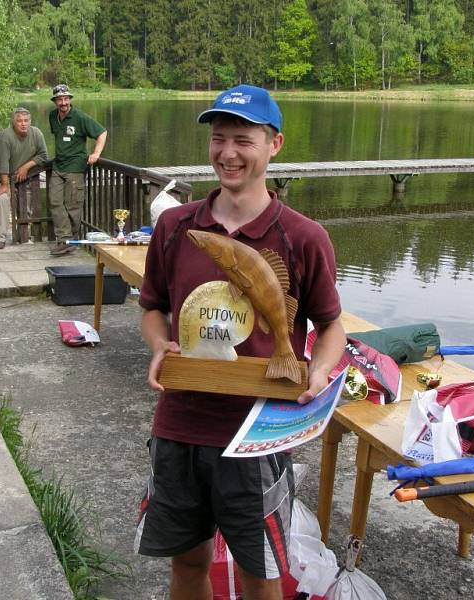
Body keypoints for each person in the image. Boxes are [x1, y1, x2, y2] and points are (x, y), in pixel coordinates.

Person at [135, 84, 346, 600]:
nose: (228, 153)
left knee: (261, 568)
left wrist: (317, 371)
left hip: (259, 433)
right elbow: (151, 309)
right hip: (180, 424)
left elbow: (331, 326)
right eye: (219, 139)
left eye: (243, 140)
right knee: (187, 561)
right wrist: (160, 346)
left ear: (274, 144)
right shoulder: (174, 226)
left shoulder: (304, 236)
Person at [47, 84, 107, 256]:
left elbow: (102, 132)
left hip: (76, 168)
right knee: (55, 202)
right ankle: (65, 239)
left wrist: (96, 153)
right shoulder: (53, 117)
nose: (63, 102)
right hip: (58, 167)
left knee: (72, 205)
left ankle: (68, 240)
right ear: (55, 101)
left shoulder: (79, 117)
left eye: (66, 99)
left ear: (70, 100)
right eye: (60, 99)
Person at [0, 108, 48, 249]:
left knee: (26, 209)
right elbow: (3, 164)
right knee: (2, 199)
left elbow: (43, 155)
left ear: (30, 121)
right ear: (13, 122)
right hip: (8, 178)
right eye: (19, 121)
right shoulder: (5, 136)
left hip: (27, 178)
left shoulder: (36, 133)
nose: (23, 124)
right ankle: (0, 238)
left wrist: (26, 167)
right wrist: (5, 185)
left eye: (26, 121)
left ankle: (23, 236)